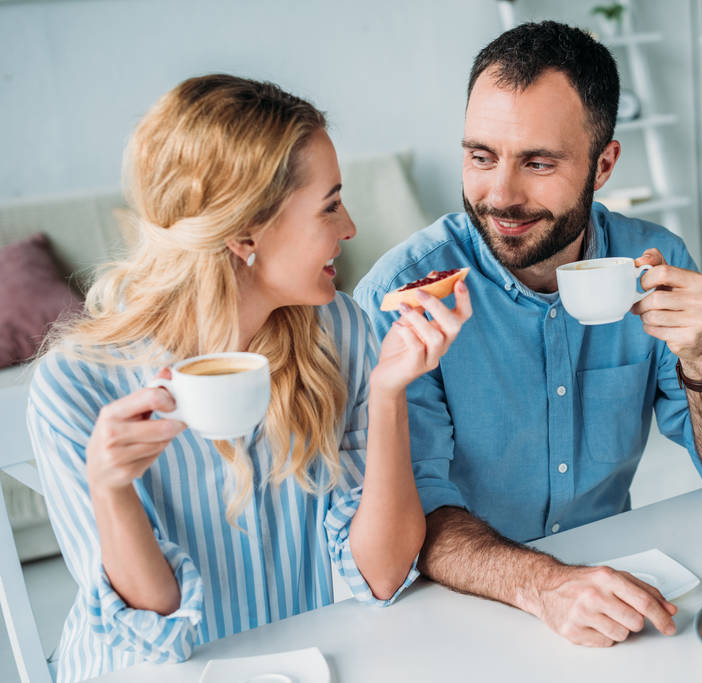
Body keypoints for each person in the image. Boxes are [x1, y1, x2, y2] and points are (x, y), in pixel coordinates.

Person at [26, 74, 471, 682]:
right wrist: (111, 489)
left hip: (317, 663)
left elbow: (384, 574)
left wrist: (391, 391)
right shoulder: (75, 384)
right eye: (330, 204)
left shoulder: (339, 331)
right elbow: (154, 631)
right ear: (244, 234)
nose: (350, 228)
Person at [355, 22, 702, 648]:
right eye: (481, 156)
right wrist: (545, 584)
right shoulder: (406, 294)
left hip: (604, 597)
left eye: (539, 162)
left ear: (603, 164)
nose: (500, 194)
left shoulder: (652, 263)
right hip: (451, 608)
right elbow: (414, 517)